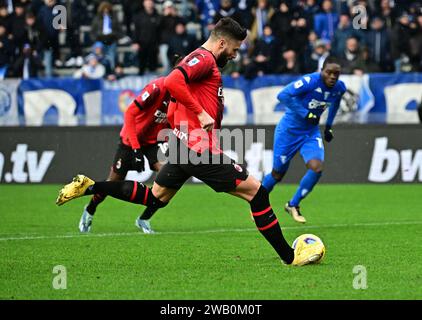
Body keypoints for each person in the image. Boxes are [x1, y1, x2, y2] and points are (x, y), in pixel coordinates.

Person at [56, 17, 325, 267]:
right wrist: (199, 113)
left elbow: (173, 108)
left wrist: (184, 129)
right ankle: (290, 257)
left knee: (155, 197)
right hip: (199, 150)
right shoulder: (204, 58)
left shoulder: (201, 64)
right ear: (221, 42)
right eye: (233, 48)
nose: (234, 54)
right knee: (258, 193)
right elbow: (173, 80)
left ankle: (90, 187)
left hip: (185, 148)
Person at [75, 76, 171, 234]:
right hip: (129, 140)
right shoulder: (156, 87)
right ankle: (90, 210)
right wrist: (136, 149)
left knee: (168, 178)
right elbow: (129, 114)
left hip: (152, 142)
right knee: (112, 183)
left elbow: (171, 122)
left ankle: (144, 219)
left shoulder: (181, 94)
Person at [262, 56, 346, 224]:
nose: (332, 77)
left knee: (316, 168)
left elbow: (335, 104)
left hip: (310, 133)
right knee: (277, 173)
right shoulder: (310, 81)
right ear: (321, 70)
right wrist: (305, 113)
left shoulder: (339, 88)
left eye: (336, 74)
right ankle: (257, 202)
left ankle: (293, 204)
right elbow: (283, 95)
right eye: (329, 73)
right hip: (289, 131)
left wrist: (328, 126)